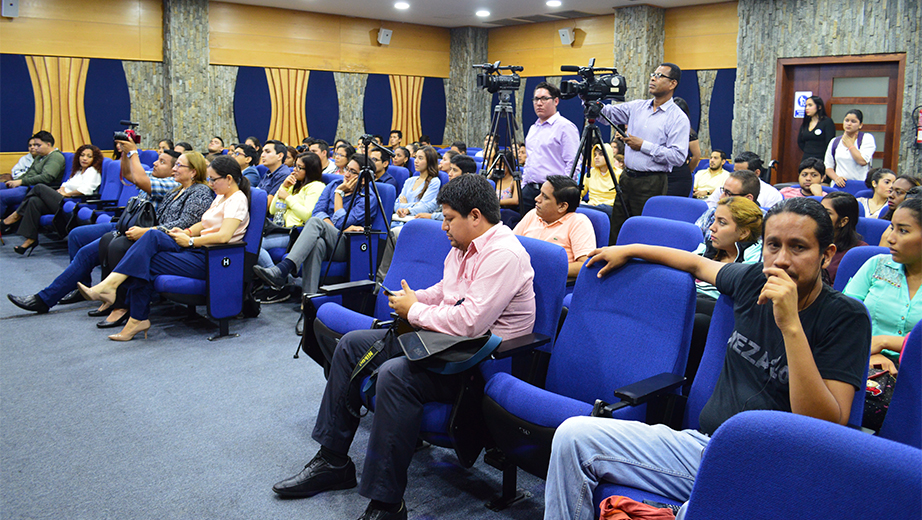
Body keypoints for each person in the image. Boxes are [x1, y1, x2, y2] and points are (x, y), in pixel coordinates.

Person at [545, 197, 870, 520]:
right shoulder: (753, 279)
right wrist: (630, 249)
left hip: (777, 472)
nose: (781, 260)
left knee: (696, 511)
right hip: (708, 448)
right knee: (573, 437)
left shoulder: (845, 317)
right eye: (773, 245)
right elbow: (696, 264)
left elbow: (825, 425)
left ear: (826, 255)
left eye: (798, 247)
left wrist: (791, 327)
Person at [271, 174, 535, 520]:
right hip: (447, 343)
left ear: (475, 216)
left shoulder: (504, 254)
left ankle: (387, 504)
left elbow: (472, 322)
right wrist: (411, 300)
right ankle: (334, 461)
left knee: (395, 374)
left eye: (449, 218)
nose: (443, 226)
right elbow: (446, 292)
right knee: (351, 345)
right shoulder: (464, 247)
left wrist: (417, 311)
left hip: (480, 360)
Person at [77, 156, 250, 341]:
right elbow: (205, 223)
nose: (210, 183)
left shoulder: (237, 200)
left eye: (213, 179)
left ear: (229, 179)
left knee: (146, 259)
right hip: (198, 249)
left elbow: (224, 236)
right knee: (151, 239)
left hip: (212, 259)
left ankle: (128, 307)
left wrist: (190, 241)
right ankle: (123, 303)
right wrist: (187, 231)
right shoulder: (222, 197)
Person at [7, 147, 184, 315]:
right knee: (76, 235)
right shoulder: (153, 176)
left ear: (173, 170)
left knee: (86, 253)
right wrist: (123, 153)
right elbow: (129, 174)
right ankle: (80, 285)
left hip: (138, 231)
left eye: (161, 162)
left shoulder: (170, 184)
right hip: (123, 223)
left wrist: (132, 151)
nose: (154, 163)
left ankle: (44, 299)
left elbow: (138, 179)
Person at [95, 151, 216, 328]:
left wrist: (147, 231)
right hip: (161, 236)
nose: (174, 169)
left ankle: (122, 304)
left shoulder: (201, 192)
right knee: (108, 239)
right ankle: (112, 295)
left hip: (176, 240)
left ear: (193, 172)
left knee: (120, 246)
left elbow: (185, 224)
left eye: (178, 166)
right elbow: (159, 217)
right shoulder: (176, 190)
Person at [253, 154, 378, 296]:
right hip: (329, 238)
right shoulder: (333, 185)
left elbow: (341, 222)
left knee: (315, 224)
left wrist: (339, 195)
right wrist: (332, 227)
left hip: (347, 245)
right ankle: (309, 299)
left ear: (363, 179)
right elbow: (317, 212)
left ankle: (283, 269)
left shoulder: (367, 198)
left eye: (353, 172)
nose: (347, 174)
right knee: (317, 243)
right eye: (347, 169)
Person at [595, 64, 690, 242]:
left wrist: (643, 145)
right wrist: (589, 97)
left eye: (660, 76)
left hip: (652, 181)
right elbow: (605, 115)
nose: (653, 78)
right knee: (618, 228)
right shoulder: (637, 107)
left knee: (643, 232)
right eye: (653, 74)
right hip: (626, 178)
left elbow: (678, 157)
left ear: (672, 84)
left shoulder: (677, 117)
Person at [844, 197, 921, 376]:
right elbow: (842, 318)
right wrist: (869, 353)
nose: (890, 238)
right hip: (863, 360)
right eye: (892, 228)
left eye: (903, 231)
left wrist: (885, 341)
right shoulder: (876, 265)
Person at [3, 144, 102, 254]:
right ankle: (31, 239)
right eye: (82, 155)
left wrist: (66, 194)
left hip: (72, 204)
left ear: (95, 159)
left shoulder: (93, 172)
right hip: (63, 199)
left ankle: (14, 217)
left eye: (89, 156)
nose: (84, 158)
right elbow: (66, 183)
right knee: (34, 201)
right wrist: (62, 189)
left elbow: (86, 190)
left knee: (39, 187)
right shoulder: (78, 171)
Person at [514, 175, 595, 279]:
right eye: (540, 193)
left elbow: (584, 265)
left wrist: (543, 269)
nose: (537, 199)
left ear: (562, 206)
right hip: (522, 277)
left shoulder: (578, 222)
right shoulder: (533, 214)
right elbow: (511, 243)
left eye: (545, 197)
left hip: (552, 282)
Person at [258, 152, 326, 269]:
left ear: (310, 170)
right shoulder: (293, 185)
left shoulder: (316, 186)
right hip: (279, 228)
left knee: (255, 246)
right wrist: (283, 186)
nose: (295, 170)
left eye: (300, 167)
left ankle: (276, 277)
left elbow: (308, 215)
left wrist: (288, 198)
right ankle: (275, 278)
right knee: (251, 242)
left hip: (296, 232)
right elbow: (273, 210)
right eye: (295, 166)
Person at [521, 82, 579, 216]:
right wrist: (523, 185)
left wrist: (561, 193)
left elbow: (573, 163)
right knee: (526, 232)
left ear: (556, 101)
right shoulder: (533, 128)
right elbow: (529, 160)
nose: (539, 103)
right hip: (529, 191)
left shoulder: (565, 127)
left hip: (552, 193)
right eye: (536, 99)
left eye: (544, 98)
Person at [1, 131, 66, 221]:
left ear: (48, 144)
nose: (35, 148)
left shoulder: (55, 157)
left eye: (38, 145)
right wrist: (15, 181)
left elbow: (46, 177)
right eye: (34, 145)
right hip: (25, 184)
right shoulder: (40, 156)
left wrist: (21, 182)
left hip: (32, 189)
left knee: (1, 195)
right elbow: (28, 173)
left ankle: (3, 226)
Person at [695, 169, 761, 239]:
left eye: (728, 193)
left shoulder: (763, 224)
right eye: (723, 191)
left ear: (748, 199)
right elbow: (694, 239)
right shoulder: (713, 213)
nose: (721, 197)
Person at [704, 151, 783, 209]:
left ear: (756, 173)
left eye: (741, 173)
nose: (736, 176)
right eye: (735, 172)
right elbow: (708, 210)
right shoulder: (723, 189)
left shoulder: (772, 195)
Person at [820, 191, 866, 285]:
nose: (820, 216)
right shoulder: (812, 241)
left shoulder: (857, 253)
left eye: (827, 213)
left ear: (843, 221)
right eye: (820, 210)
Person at [824, 109, 876, 187]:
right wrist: (836, 178)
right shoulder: (835, 141)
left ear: (860, 125)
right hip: (839, 186)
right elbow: (828, 166)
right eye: (846, 120)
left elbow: (862, 161)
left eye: (853, 121)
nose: (849, 124)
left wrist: (850, 145)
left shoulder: (866, 138)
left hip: (860, 184)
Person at [392, 146, 440, 225]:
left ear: (429, 161)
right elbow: (396, 205)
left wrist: (406, 208)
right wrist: (414, 204)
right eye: (415, 157)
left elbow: (424, 208)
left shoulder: (434, 182)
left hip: (414, 223)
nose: (416, 161)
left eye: (420, 158)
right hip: (399, 220)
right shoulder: (409, 181)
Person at [665, 97, 700, 198]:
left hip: (679, 176)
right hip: (661, 173)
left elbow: (696, 156)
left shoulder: (689, 132)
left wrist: (687, 171)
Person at [580, 143, 620, 215]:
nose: (596, 157)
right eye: (595, 155)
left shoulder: (619, 174)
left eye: (601, 154)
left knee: (605, 208)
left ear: (609, 156)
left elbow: (621, 199)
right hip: (591, 206)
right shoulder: (590, 173)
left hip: (609, 208)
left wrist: (599, 204)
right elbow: (580, 192)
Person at [797, 95, 836, 162]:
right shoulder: (806, 123)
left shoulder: (827, 122)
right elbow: (800, 141)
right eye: (806, 106)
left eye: (810, 105)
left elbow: (830, 143)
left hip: (821, 158)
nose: (807, 108)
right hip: (806, 157)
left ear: (819, 107)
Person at [258, 140, 292, 206]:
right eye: (263, 152)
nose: (262, 155)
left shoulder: (284, 175)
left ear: (280, 156)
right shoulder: (269, 172)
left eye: (267, 152)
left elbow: (268, 204)